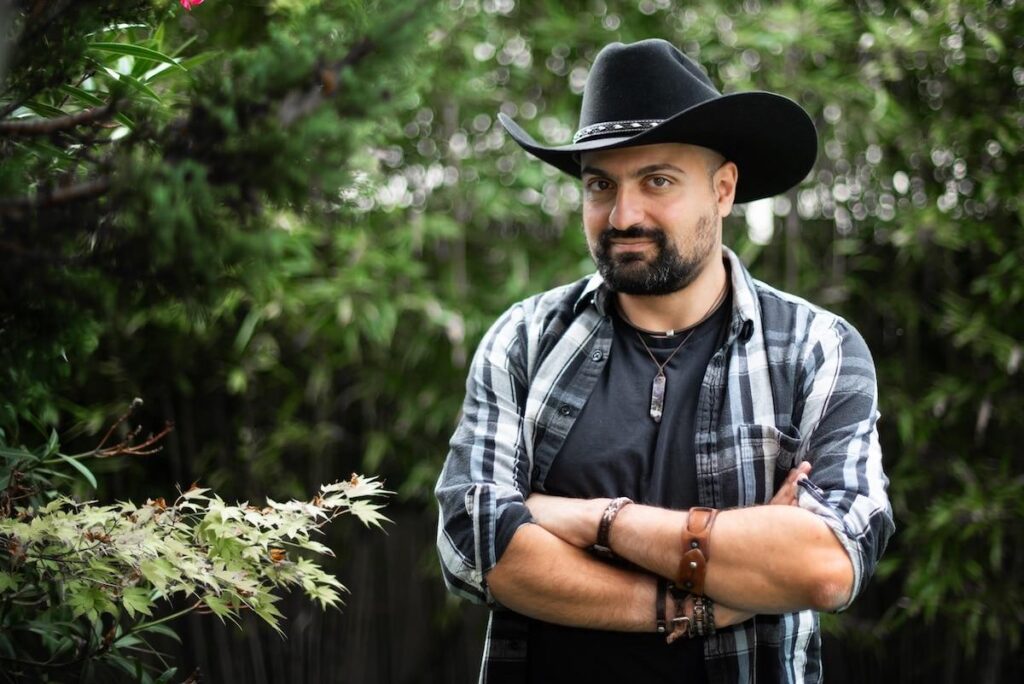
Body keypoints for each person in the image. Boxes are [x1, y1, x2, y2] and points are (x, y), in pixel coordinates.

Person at [434, 38, 894, 683]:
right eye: (601, 184)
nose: (624, 215)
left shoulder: (814, 347)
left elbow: (826, 565)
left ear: (723, 189)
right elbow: (473, 545)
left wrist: (595, 520)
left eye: (658, 181)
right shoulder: (526, 339)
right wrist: (694, 603)